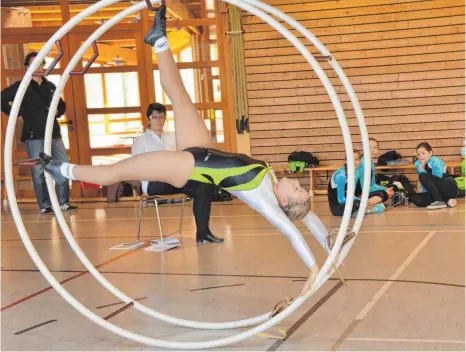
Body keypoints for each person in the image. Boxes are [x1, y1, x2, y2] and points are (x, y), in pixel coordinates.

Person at [37, 4, 351, 296]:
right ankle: (159, 40)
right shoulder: (274, 183)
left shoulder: (267, 200)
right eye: (299, 185)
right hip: (200, 149)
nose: (295, 182)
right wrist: (328, 240)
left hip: (185, 166)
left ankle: (62, 170)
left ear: (283, 200)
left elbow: (291, 229)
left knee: (119, 171)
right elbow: (305, 216)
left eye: (295, 189)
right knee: (180, 94)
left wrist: (313, 267)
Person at [132, 102, 223, 243]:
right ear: (148, 119)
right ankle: (203, 232)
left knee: (202, 186)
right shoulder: (141, 141)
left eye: (161, 117)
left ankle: (203, 233)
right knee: (191, 183)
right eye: (155, 117)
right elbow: (136, 167)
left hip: (175, 178)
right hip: (153, 182)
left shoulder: (172, 137)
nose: (158, 120)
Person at [1, 52, 77, 215]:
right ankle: (44, 205)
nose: (38, 67)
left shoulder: (50, 86)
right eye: (33, 64)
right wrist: (17, 114)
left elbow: (62, 106)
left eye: (40, 64)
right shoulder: (22, 86)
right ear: (27, 67)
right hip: (34, 135)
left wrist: (57, 111)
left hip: (54, 134)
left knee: (63, 165)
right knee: (38, 171)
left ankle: (63, 202)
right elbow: (2, 99)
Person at [328, 149, 385, 216]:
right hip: (339, 207)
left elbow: (351, 194)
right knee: (356, 204)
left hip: (351, 203)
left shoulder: (356, 173)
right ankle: (366, 209)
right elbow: (341, 199)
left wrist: (363, 202)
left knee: (381, 194)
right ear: (346, 161)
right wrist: (361, 203)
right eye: (351, 159)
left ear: (360, 161)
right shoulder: (341, 175)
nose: (354, 162)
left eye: (356, 159)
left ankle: (361, 210)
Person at [411, 142, 458, 210]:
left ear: (430, 153)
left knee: (422, 176)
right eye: (418, 154)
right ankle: (447, 201)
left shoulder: (435, 160)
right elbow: (426, 184)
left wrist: (422, 169)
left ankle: (439, 201)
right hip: (437, 191)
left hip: (448, 187)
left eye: (423, 153)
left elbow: (436, 178)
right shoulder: (418, 163)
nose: (421, 156)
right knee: (417, 199)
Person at [356, 138, 395, 214]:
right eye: (369, 147)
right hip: (358, 193)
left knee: (390, 192)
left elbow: (372, 184)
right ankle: (363, 207)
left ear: (378, 150)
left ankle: (370, 204)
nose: (372, 150)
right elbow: (364, 188)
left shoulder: (371, 163)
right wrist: (384, 192)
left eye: (375, 148)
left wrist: (386, 188)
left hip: (365, 192)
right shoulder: (362, 164)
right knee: (383, 194)